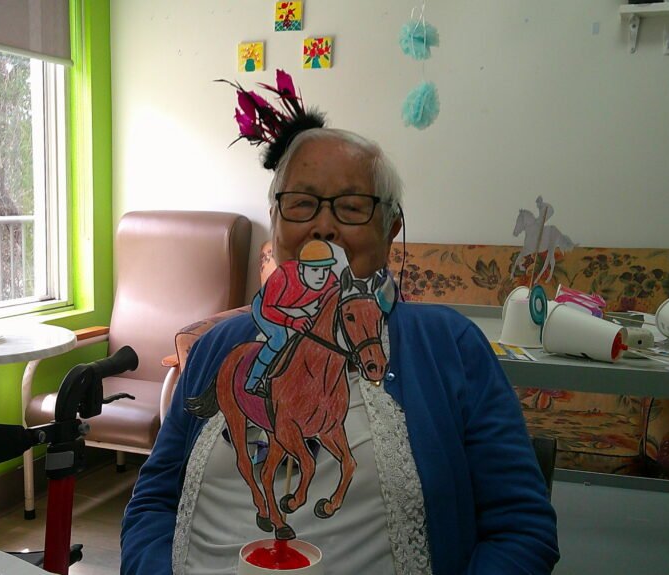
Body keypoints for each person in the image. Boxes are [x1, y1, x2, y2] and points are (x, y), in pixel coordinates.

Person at [121, 126, 559, 574]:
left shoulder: (452, 346)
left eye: (351, 207)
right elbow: (153, 503)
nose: (323, 225)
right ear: (275, 220)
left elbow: (521, 529)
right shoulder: (218, 347)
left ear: (391, 229)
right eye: (301, 203)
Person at [244, 238, 340, 398]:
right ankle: (253, 381)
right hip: (267, 307)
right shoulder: (283, 276)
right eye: (315, 270)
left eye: (326, 269)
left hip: (297, 307)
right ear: (301, 269)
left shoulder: (331, 280)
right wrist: (293, 322)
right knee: (279, 337)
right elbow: (267, 309)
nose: (322, 276)